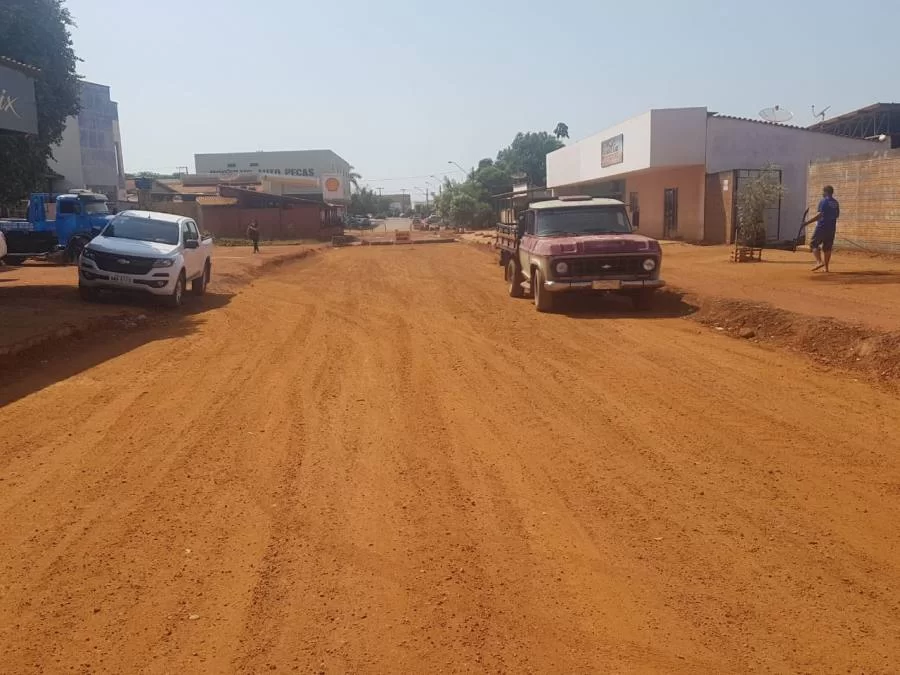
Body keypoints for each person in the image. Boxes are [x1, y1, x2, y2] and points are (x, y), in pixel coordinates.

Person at [803, 185, 840, 272]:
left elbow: (820, 215)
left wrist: (807, 223)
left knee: (813, 244)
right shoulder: (835, 202)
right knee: (827, 247)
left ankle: (819, 262)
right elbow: (837, 215)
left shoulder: (823, 201)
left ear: (826, 192)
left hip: (822, 226)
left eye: (823, 192)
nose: (822, 193)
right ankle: (826, 268)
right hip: (831, 228)